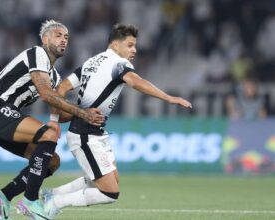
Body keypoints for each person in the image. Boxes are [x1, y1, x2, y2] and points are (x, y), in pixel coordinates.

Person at [40, 24, 192, 219]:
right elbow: (136, 82)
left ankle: (52, 194)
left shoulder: (91, 61)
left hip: (94, 133)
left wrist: (55, 119)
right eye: (130, 45)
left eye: (135, 46)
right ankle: (56, 203)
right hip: (85, 135)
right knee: (109, 193)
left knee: (111, 179)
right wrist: (169, 98)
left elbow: (61, 88)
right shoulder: (119, 64)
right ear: (115, 44)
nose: (134, 50)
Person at [0, 20, 104, 220]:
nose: (64, 40)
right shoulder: (37, 54)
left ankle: (3, 196)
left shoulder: (53, 76)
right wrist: (81, 112)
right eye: (58, 35)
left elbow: (59, 110)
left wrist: (91, 113)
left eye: (66, 37)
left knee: (52, 161)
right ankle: (30, 201)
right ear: (45, 39)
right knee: (49, 134)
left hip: (3, 116)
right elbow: (45, 94)